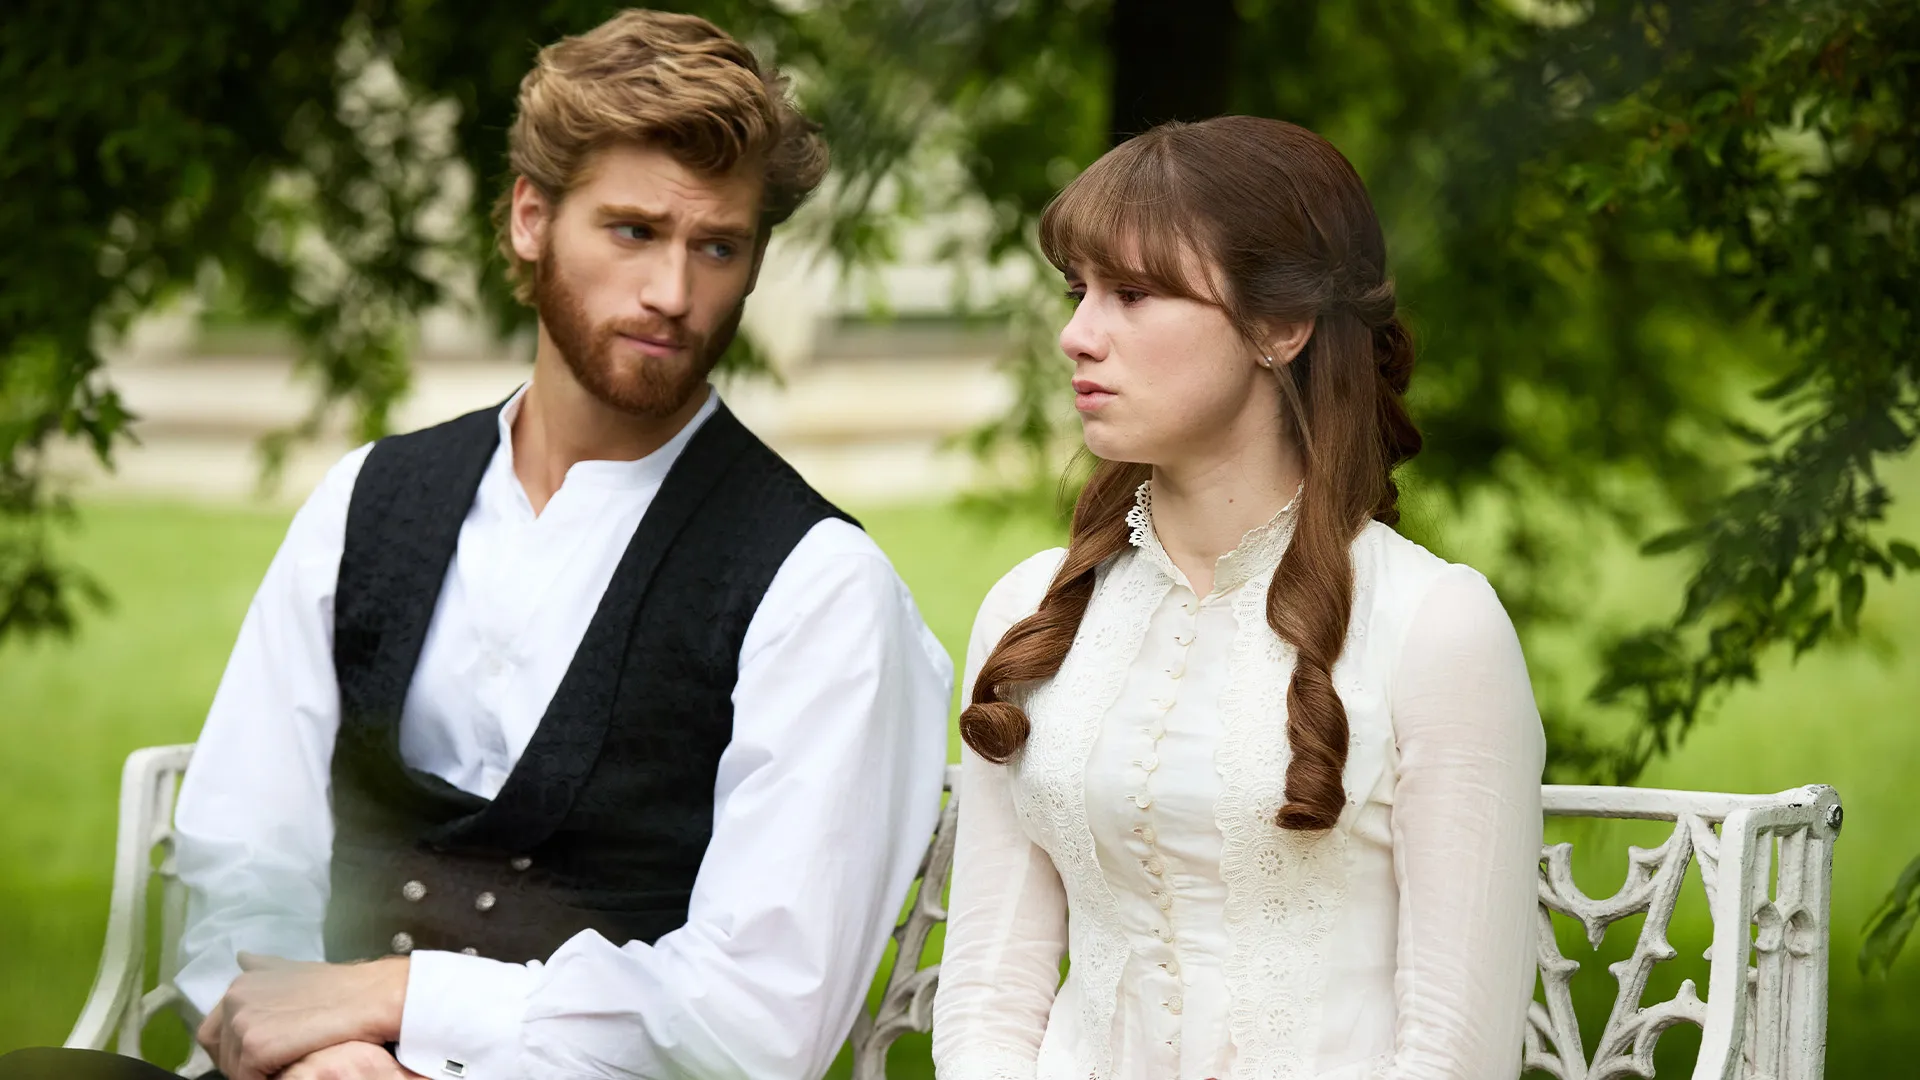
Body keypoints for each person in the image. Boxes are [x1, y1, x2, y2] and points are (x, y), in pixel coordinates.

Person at [0, 10, 951, 1080]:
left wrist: (397, 998)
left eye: (718, 247)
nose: (674, 295)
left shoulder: (818, 587)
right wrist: (318, 1053)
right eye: (634, 231)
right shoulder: (369, 500)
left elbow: (758, 1021)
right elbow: (242, 855)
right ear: (531, 219)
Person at [929, 116, 1546, 1080]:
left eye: (1133, 294)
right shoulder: (1035, 612)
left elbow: (1454, 1053)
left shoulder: (1435, 627)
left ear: (1280, 326)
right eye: (1078, 290)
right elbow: (987, 995)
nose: (1077, 334)